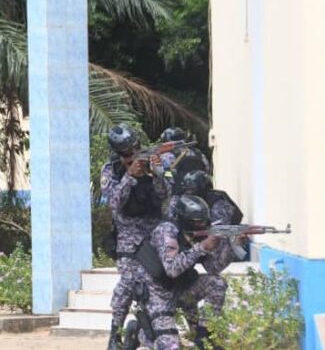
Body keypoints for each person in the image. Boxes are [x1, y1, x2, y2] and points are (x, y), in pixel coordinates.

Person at [134, 195, 237, 350]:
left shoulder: (195, 233)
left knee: (217, 283)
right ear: (185, 219)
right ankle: (140, 333)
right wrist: (201, 247)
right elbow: (172, 269)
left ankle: (204, 336)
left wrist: (233, 245)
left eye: (204, 221)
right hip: (158, 294)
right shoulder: (166, 231)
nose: (202, 225)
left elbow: (214, 267)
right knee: (171, 346)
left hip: (182, 288)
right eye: (198, 222)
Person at [101, 123, 169, 350]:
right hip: (129, 240)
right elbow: (114, 203)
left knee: (157, 287)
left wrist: (157, 173)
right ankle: (115, 334)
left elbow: (164, 194)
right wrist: (130, 176)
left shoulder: (150, 160)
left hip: (154, 237)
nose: (133, 154)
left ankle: (146, 332)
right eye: (127, 153)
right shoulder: (111, 170)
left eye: (135, 149)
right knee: (128, 286)